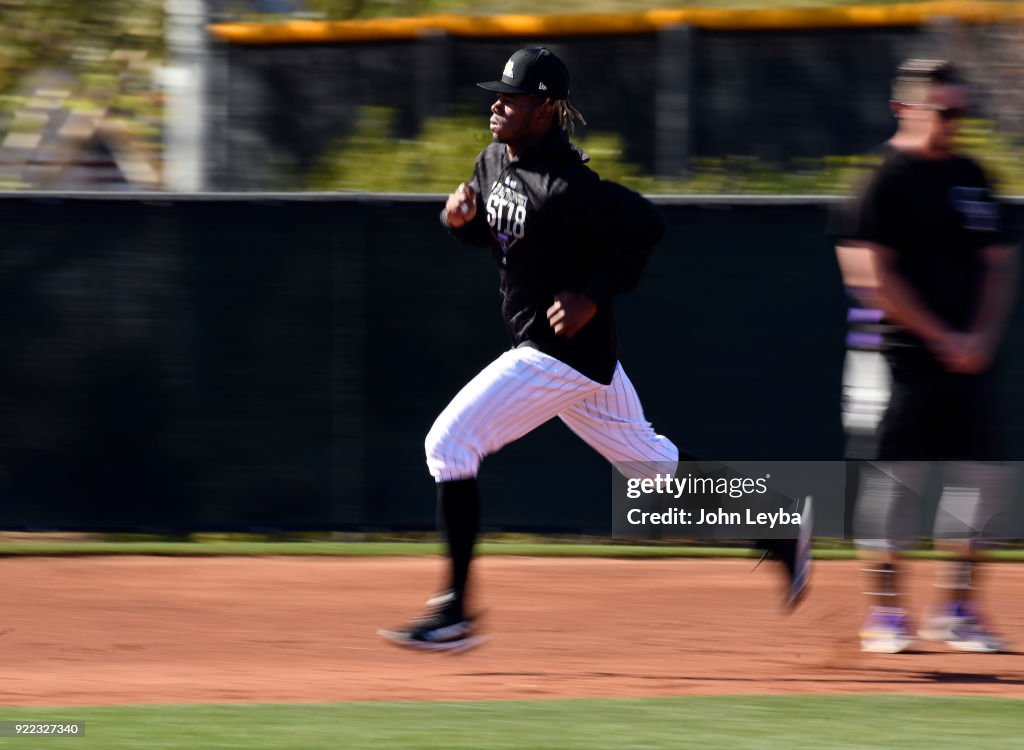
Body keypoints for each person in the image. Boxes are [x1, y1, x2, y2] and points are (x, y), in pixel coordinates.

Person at [379, 47, 811, 653]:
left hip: (559, 352)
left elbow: (646, 227)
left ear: (547, 109)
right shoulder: (491, 161)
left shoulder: (568, 185)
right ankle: (778, 524)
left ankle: (454, 612)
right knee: (652, 471)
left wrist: (591, 295)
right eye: (497, 95)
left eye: (514, 98)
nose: (498, 105)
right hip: (576, 360)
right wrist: (461, 224)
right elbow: (495, 235)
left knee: (449, 443)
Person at [836, 59, 1019, 654]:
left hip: (969, 360)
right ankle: (885, 615)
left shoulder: (972, 174)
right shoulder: (881, 180)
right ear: (905, 109)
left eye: (961, 111)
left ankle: (958, 611)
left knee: (980, 483)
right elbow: (870, 277)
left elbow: (998, 265)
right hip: (898, 358)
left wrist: (981, 339)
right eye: (943, 111)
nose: (954, 122)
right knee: (896, 485)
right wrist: (943, 338)